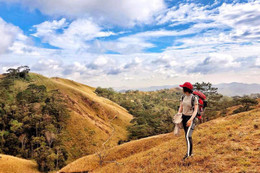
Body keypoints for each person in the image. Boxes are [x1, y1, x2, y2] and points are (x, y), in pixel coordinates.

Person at [177, 82, 198, 160]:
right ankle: (190, 152)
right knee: (187, 136)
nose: (182, 89)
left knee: (188, 136)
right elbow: (181, 107)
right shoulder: (183, 97)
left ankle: (188, 155)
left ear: (186, 89)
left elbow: (195, 110)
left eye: (183, 88)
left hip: (190, 118)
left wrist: (190, 120)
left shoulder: (194, 98)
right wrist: (178, 115)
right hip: (184, 117)